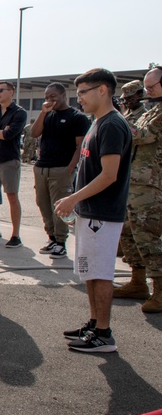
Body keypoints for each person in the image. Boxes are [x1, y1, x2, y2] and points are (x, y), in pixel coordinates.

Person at [55, 68, 131, 353]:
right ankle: (94, 322)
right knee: (89, 271)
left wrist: (73, 198)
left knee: (100, 273)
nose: (79, 99)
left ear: (103, 90)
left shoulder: (112, 124)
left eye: (83, 93)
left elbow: (110, 174)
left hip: (103, 213)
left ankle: (104, 334)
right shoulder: (97, 122)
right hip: (90, 213)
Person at [114, 66, 162, 312]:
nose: (148, 91)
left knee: (148, 235)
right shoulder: (151, 110)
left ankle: (160, 290)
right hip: (135, 182)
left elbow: (142, 135)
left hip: (151, 185)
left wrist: (115, 118)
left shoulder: (158, 114)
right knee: (129, 233)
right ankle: (137, 282)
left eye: (152, 86)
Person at [30, 83, 91, 259]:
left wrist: (69, 169)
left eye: (53, 96)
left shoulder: (76, 117)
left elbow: (80, 146)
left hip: (61, 168)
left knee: (60, 207)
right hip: (42, 167)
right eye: (47, 97)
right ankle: (51, 237)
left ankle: (60, 242)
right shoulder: (47, 115)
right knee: (43, 204)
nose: (50, 100)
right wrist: (42, 112)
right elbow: (34, 133)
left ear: (64, 95)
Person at [0, 82, 27, 248]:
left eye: (1, 90)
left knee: (12, 196)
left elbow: (10, 134)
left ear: (11, 92)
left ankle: (15, 235)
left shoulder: (19, 113)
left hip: (9, 160)